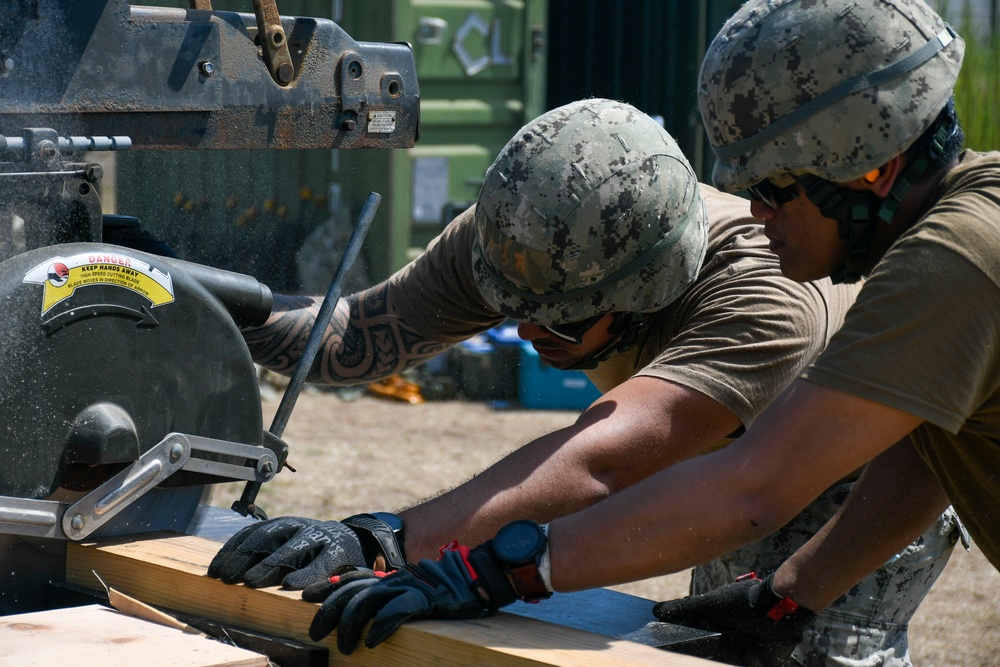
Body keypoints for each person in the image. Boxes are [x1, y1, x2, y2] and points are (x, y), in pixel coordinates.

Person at [291, 1, 999, 665]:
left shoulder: (952, 262)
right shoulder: (961, 236)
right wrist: (791, 594)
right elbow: (931, 448)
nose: (757, 212)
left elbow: (749, 489)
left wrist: (494, 567)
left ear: (872, 167)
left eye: (776, 188)